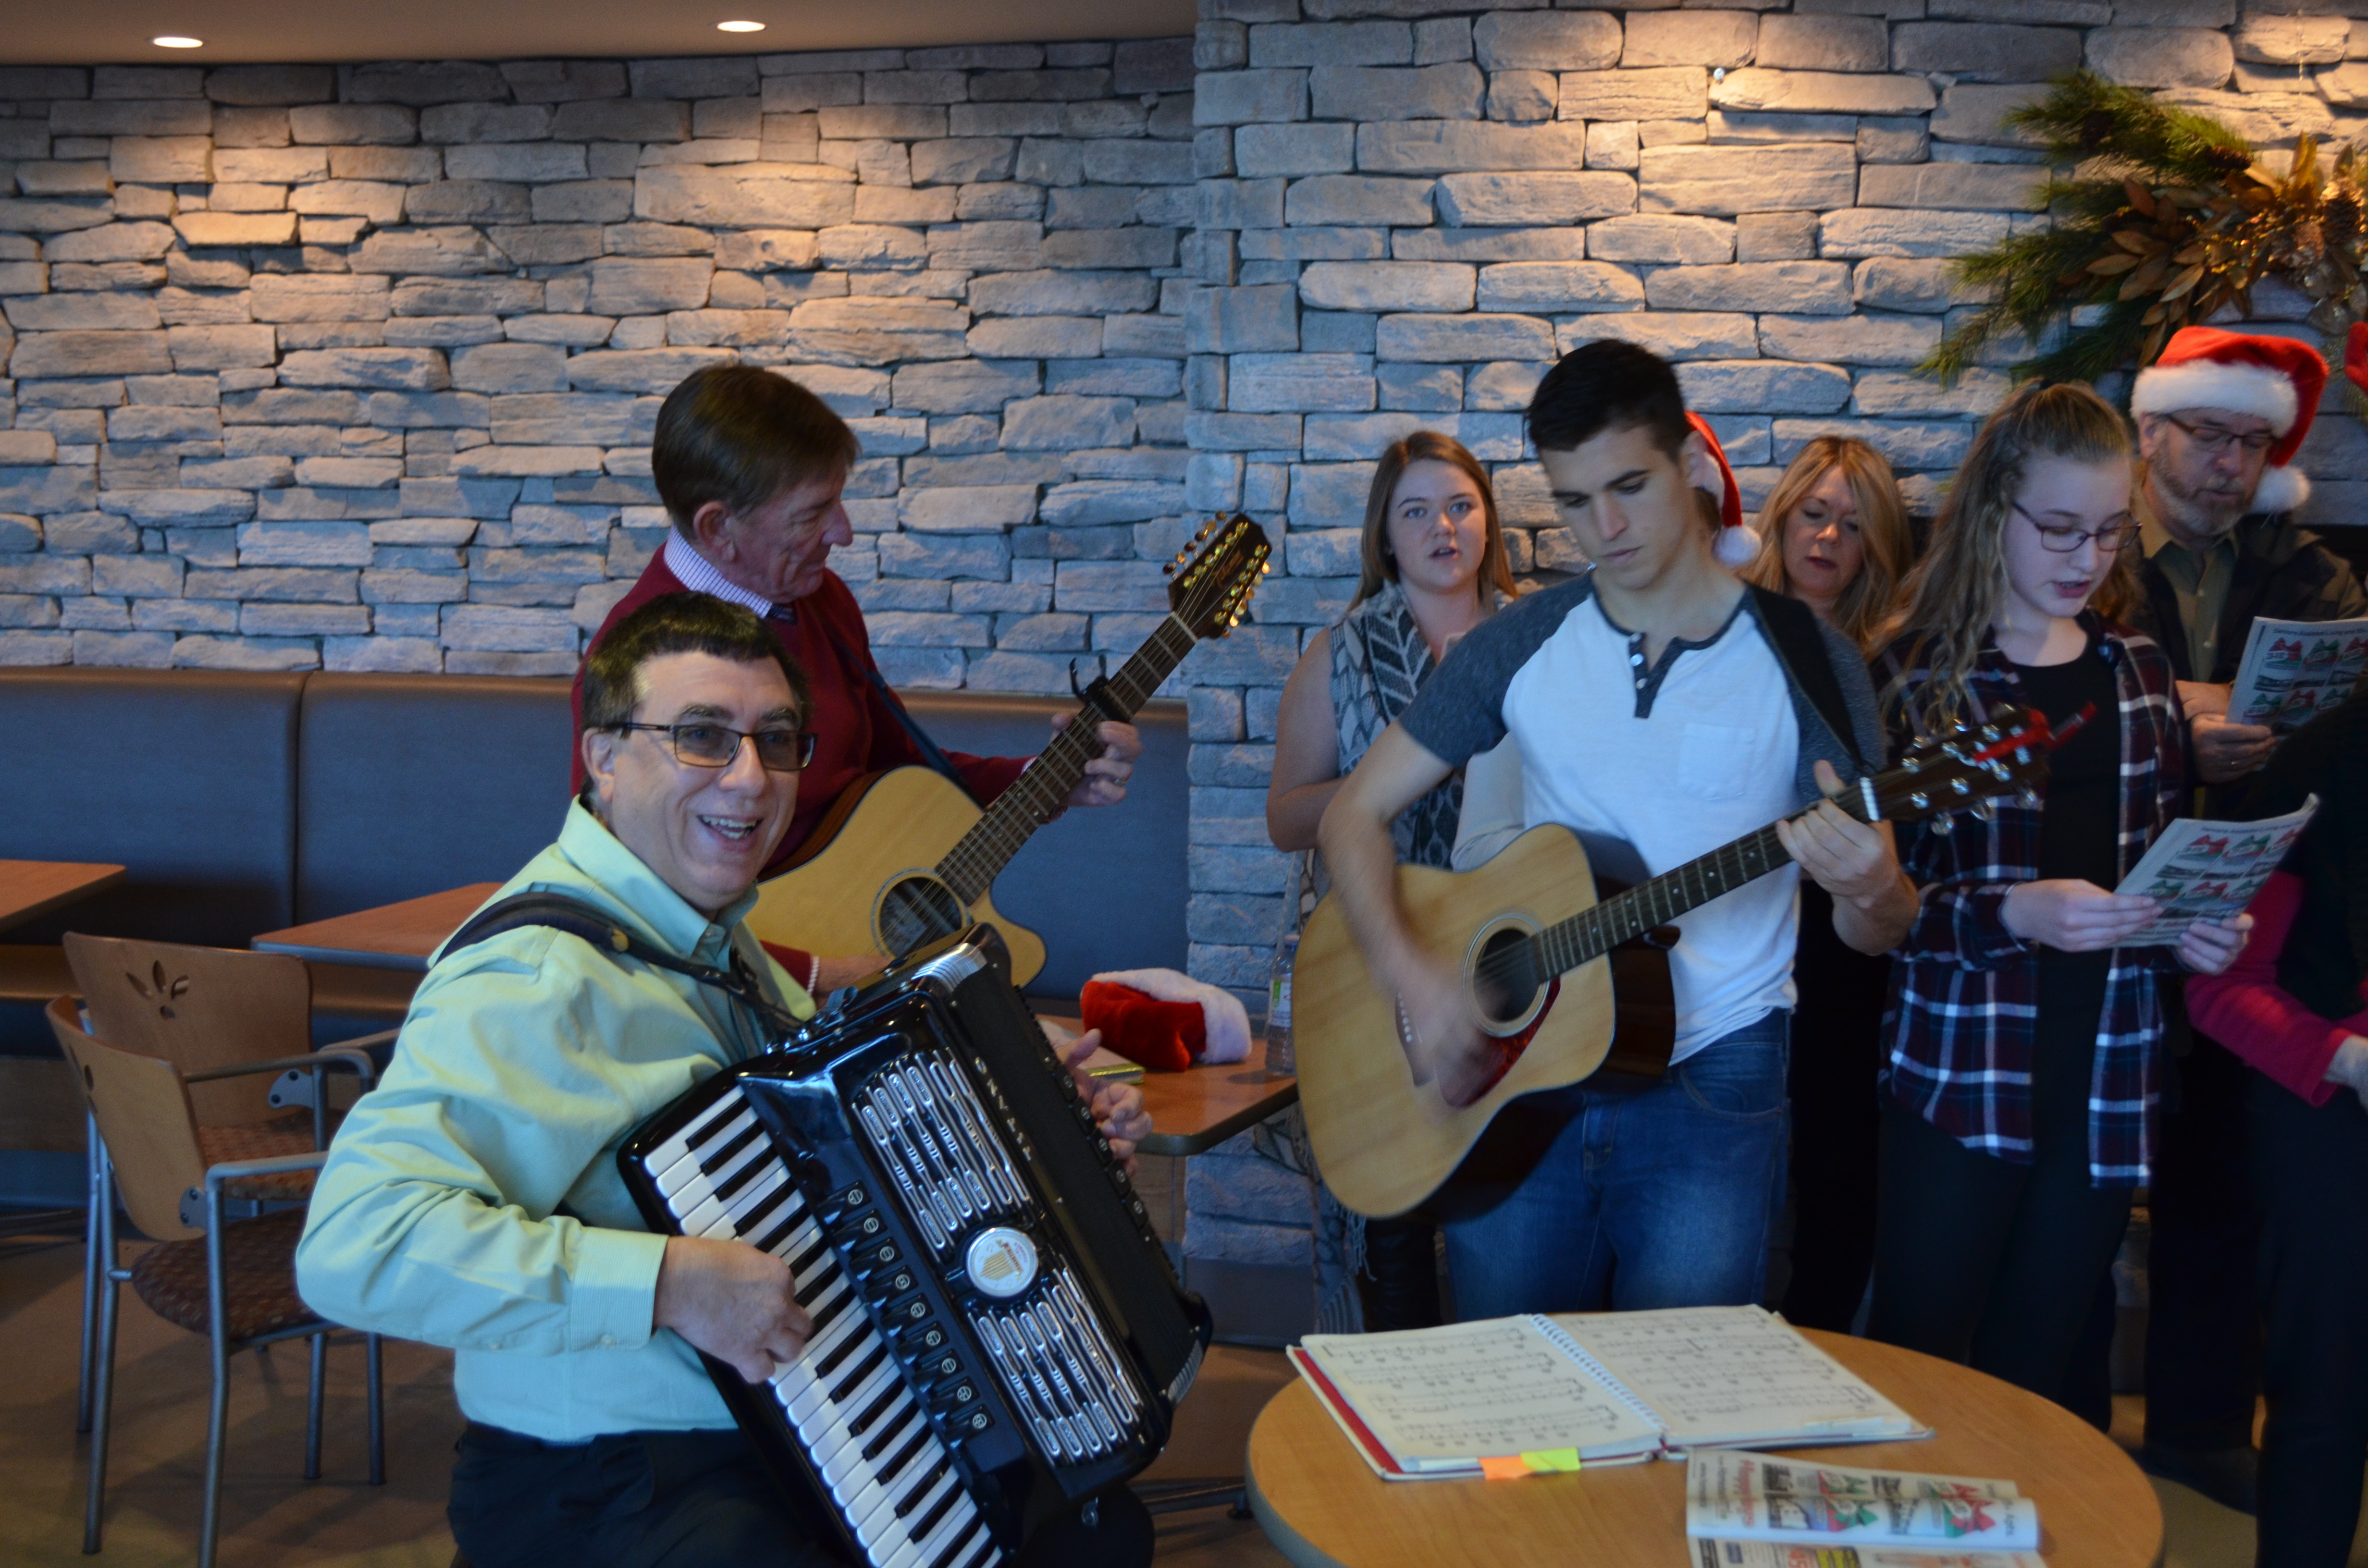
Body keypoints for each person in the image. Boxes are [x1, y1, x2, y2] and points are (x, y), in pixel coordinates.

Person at [297, 593, 1152, 1568]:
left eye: (775, 740)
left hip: (777, 1428)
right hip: (609, 1480)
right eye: (702, 737)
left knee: (1094, 1533)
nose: (751, 781)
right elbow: (354, 1244)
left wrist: (1025, 1125)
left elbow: (823, 1127)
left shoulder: (707, 933)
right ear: (604, 757)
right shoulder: (536, 978)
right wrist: (667, 1283)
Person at [1317, 339, 1916, 1319]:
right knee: (1508, 1399)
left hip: (1714, 1078)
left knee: (1678, 1403)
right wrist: (1419, 980)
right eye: (1572, 499)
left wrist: (1870, 890)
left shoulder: (1809, 660)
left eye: (1629, 486)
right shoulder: (1521, 638)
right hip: (1525, 1070)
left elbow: (1877, 926)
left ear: (1685, 461)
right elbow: (1352, 814)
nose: (1604, 526)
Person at [1865, 382, 2249, 1427]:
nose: (2087, 560)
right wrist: (2010, 914)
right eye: (2060, 530)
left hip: (2106, 1080)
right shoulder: (1918, 679)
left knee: (2035, 1378)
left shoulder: (2134, 671)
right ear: (1994, 514)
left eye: (2111, 533)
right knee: (1916, 1362)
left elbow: (2152, 867)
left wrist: (2197, 929)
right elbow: (1882, 917)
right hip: (1961, 1077)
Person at [575, 364, 1143, 995]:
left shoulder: (823, 602)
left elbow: (910, 773)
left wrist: (1053, 776)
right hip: (738, 1005)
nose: (842, 532)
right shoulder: (633, 664)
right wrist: (832, 975)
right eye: (813, 513)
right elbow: (623, 908)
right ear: (718, 528)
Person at [2119, 328, 2368, 1509]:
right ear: (2152, 429)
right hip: (2114, 877)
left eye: (2251, 442)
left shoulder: (2305, 565)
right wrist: (2184, 733)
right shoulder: (2101, 550)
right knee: (2109, 1152)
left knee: (2223, 1165)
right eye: (2209, 434)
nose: (2227, 463)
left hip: (2259, 887)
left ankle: (2203, 1421)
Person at [1267, 432, 1518, 1332]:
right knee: (1394, 1213)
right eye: (1416, 512)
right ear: (1386, 537)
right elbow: (1287, 815)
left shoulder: (1539, 640)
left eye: (1459, 505)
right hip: (1373, 954)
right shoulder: (1338, 654)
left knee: (1509, 1180)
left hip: (1502, 946)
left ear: (1489, 519)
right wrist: (1402, 772)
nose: (1442, 527)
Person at [2186, 689, 2368, 1568]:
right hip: (2329, 1097)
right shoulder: (2315, 768)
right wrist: (2346, 1059)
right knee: (2325, 1393)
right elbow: (2223, 986)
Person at [1739, 438, 1917, 1334]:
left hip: (1838, 939)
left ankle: (1817, 1336)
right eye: (1815, 514)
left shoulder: (1895, 660)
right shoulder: (1723, 622)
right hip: (1725, 922)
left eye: (1853, 525)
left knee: (1838, 1156)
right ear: (1783, 516)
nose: (1828, 539)